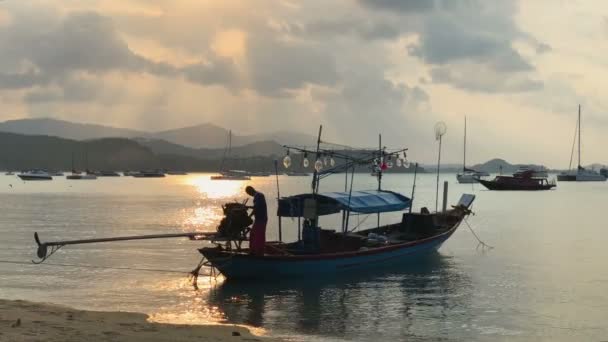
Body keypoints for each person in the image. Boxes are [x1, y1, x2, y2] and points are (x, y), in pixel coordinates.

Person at [245, 186, 267, 255]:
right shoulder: (257, 196)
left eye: (249, 193)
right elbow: (255, 208)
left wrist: (248, 208)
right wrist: (250, 215)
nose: (249, 194)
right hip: (258, 219)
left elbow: (256, 207)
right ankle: (253, 250)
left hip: (261, 219)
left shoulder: (258, 195)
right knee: (253, 234)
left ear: (251, 191)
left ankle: (258, 252)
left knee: (258, 235)